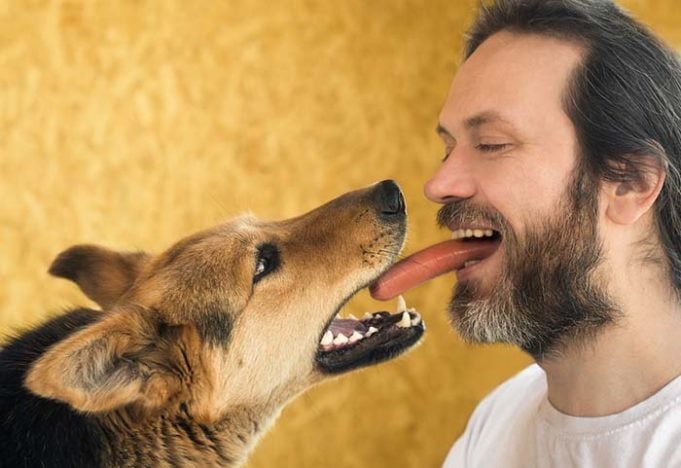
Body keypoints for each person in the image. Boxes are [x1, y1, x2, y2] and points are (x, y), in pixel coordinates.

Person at [388, 0, 681, 466]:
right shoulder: (496, 423)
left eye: (492, 145)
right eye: (449, 149)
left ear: (631, 182)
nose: (438, 185)